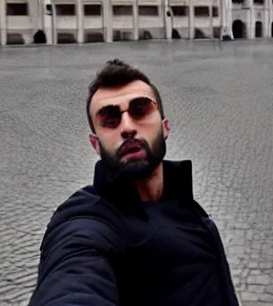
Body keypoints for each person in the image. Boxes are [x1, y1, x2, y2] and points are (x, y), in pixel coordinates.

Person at [28, 58, 239, 306]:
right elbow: (72, 279)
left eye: (140, 110)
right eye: (110, 118)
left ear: (165, 127)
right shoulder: (85, 220)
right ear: (95, 144)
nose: (127, 127)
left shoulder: (182, 202)